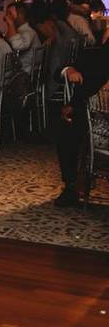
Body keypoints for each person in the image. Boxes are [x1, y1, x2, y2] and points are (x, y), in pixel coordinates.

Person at [53, 36, 109, 207]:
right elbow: (64, 71)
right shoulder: (100, 56)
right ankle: (71, 185)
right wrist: (69, 70)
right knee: (67, 126)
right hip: (98, 119)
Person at [4, 1, 41, 74]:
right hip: (23, 71)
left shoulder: (28, 32)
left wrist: (11, 23)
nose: (6, 17)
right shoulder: (20, 30)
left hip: (24, 74)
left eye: (10, 14)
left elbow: (17, 46)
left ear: (21, 15)